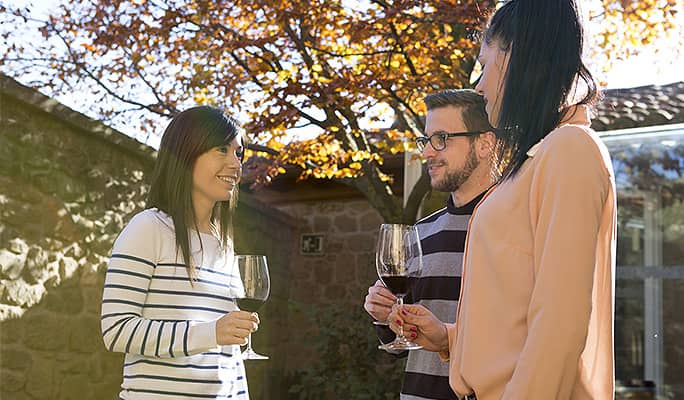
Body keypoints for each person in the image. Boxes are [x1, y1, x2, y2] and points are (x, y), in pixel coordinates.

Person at [389, 1, 617, 399]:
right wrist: (447, 338)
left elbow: (559, 325)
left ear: (515, 56)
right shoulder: (540, 157)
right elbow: (518, 324)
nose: (478, 85)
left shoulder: (569, 150)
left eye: (484, 63)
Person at [100, 106, 259, 399]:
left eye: (239, 153)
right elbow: (117, 330)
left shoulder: (224, 242)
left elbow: (229, 356)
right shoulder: (148, 228)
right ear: (186, 154)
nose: (236, 165)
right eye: (222, 150)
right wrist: (211, 332)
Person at [364, 89, 497, 400]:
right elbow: (399, 346)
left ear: (484, 143)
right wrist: (385, 317)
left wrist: (448, 337)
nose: (426, 153)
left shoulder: (517, 228)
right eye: (426, 140)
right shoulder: (422, 232)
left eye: (442, 139)